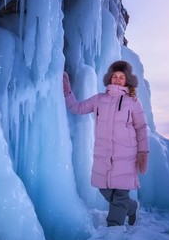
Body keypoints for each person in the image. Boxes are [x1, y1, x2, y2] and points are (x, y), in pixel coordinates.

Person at [63, 60, 149, 226]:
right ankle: (131, 207)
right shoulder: (99, 99)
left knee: (120, 195)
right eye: (115, 76)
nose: (117, 80)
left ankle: (114, 229)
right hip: (104, 155)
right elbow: (78, 108)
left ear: (127, 80)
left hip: (126, 156)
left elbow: (141, 127)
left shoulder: (133, 102)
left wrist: (143, 152)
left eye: (121, 77)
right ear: (110, 78)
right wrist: (67, 93)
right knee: (105, 189)